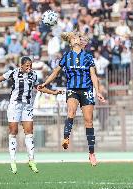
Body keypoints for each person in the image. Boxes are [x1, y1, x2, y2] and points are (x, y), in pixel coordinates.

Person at [0, 56, 62, 174]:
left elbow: (39, 87)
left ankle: (31, 160)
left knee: (29, 133)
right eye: (27, 65)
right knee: (13, 131)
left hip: (27, 106)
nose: (29, 68)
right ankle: (13, 161)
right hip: (15, 105)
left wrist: (53, 92)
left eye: (30, 65)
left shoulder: (34, 75)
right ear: (21, 66)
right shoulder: (13, 73)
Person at [37, 32, 105, 166]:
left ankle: (91, 153)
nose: (76, 39)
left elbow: (93, 75)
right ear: (70, 42)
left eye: (77, 37)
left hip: (86, 90)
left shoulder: (88, 57)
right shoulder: (66, 56)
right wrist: (45, 84)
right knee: (71, 112)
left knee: (89, 121)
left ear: (80, 41)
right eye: (73, 38)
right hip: (72, 89)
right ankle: (66, 138)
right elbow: (55, 72)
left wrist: (98, 91)